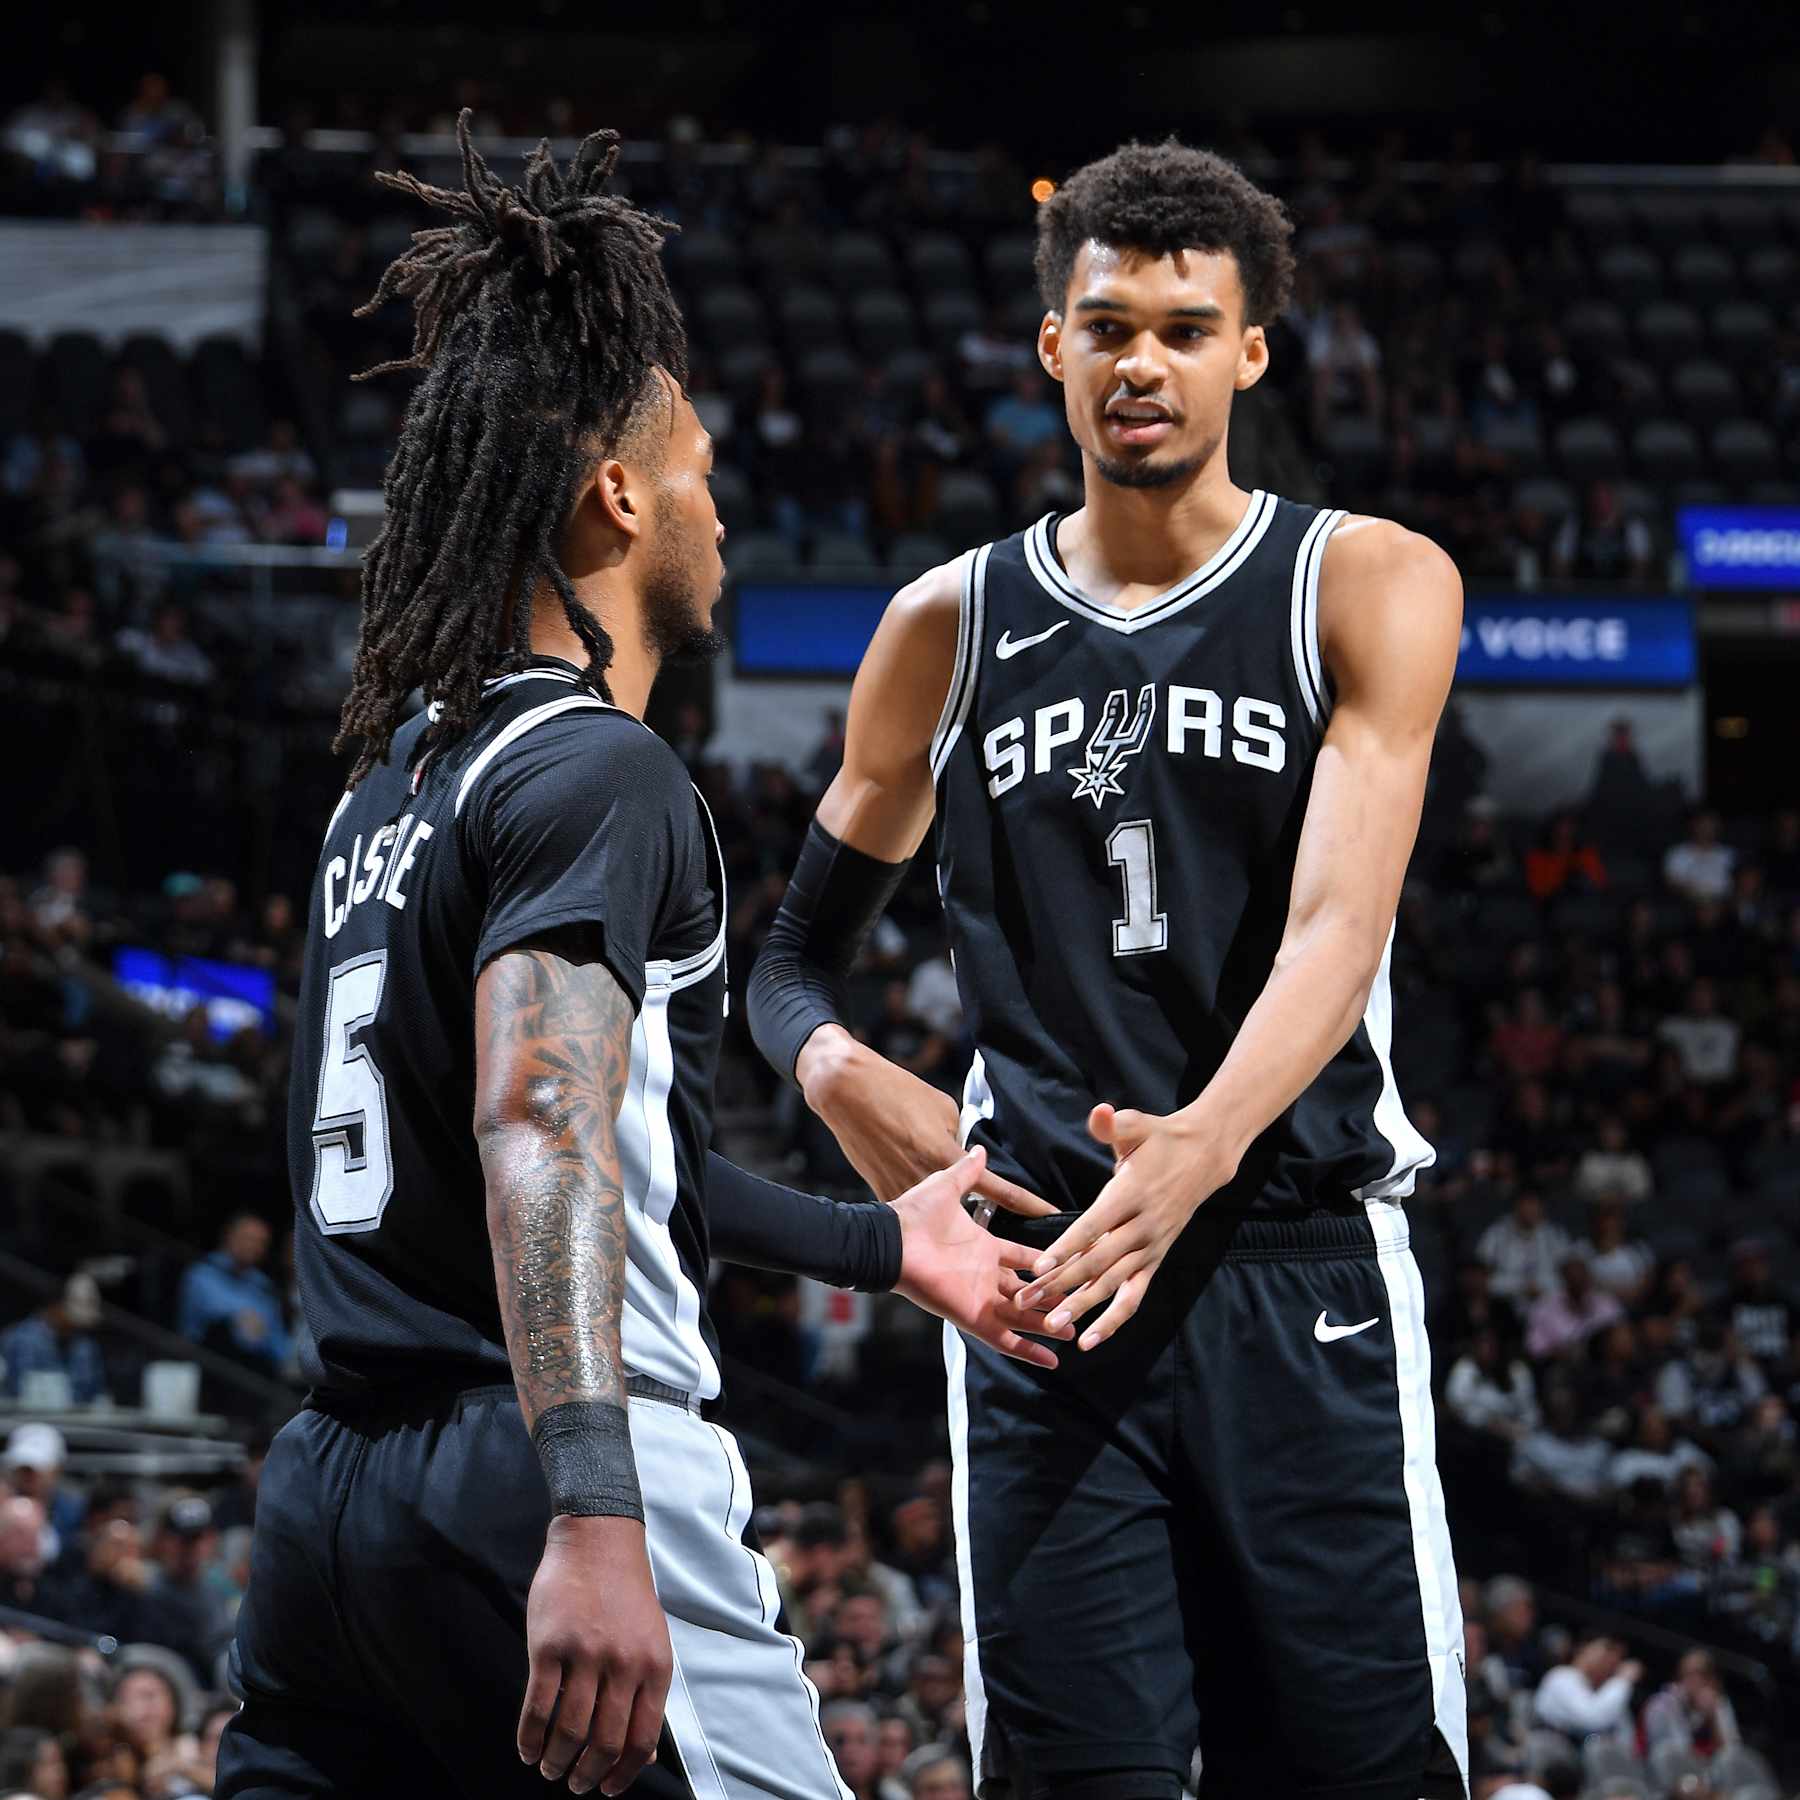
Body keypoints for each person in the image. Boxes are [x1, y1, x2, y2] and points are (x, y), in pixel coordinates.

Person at [218, 114, 1064, 1800]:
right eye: (695, 473)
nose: (717, 510)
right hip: (546, 1465)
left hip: (327, 1508)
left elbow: (603, 1143)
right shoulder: (603, 771)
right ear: (615, 496)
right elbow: (543, 1127)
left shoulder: (387, 792)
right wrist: (598, 1506)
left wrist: (875, 1247)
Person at [749, 140, 1467, 1799]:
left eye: (1185, 326)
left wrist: (1201, 1148)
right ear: (1050, 347)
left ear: (1252, 350)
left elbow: (1335, 931)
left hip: (1298, 1268)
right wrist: (835, 1067)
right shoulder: (949, 623)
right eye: (1108, 324)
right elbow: (786, 961)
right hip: (1043, 1292)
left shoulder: (1360, 583)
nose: (1143, 361)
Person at [174, 1215, 291, 1374]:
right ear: (229, 1236)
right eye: (247, 1238)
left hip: (254, 1370)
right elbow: (204, 1318)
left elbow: (277, 1341)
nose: (252, 1246)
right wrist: (239, 1318)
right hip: (206, 1364)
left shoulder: (264, 1286)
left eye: (260, 1242)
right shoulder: (202, 1273)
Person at [0, 1274, 107, 1404]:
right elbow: (15, 1393)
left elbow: (96, 1394)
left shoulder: (86, 1347)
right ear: (56, 1304)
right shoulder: (21, 1340)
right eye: (81, 1303)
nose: (87, 1311)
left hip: (79, 1422)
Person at [1532, 1636, 1643, 1739]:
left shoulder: (1606, 1691)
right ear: (1583, 1648)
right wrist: (1622, 1681)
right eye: (1608, 1649)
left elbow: (1626, 1739)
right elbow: (1592, 1720)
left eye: (1618, 1657)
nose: (1611, 1659)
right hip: (1551, 1749)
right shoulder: (1561, 1676)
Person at [1641, 1650, 1739, 1759]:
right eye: (1688, 1675)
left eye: (1702, 1676)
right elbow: (1676, 1752)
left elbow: (1732, 1753)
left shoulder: (1717, 1703)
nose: (1693, 1681)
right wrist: (1697, 1718)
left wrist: (1714, 1718)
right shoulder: (1662, 1704)